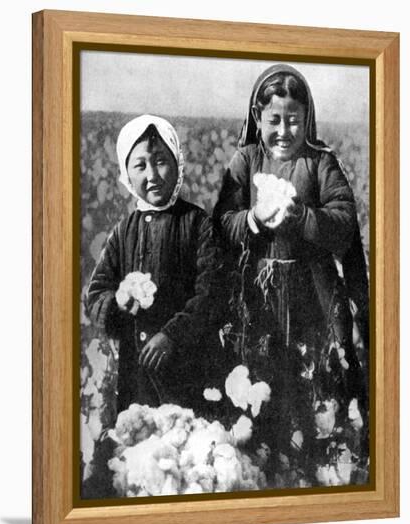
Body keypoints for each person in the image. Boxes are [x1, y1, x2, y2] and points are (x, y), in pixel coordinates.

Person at [213, 64, 369, 486]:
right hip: (257, 295)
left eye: (294, 120)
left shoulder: (321, 163)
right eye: (274, 120)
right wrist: (253, 219)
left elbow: (343, 224)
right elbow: (221, 222)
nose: (284, 130)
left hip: (311, 297)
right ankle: (264, 467)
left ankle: (319, 467)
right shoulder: (244, 161)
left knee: (314, 383)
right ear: (257, 118)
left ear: (308, 119)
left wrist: (301, 216)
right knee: (258, 383)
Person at [86, 114, 222, 414]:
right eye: (140, 165)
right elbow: (96, 293)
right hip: (136, 376)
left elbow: (211, 293)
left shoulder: (197, 223)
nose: (152, 175)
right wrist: (118, 301)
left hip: (187, 373)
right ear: (126, 174)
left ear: (177, 163)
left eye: (161, 161)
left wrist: (172, 335)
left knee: (185, 446)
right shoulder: (124, 231)